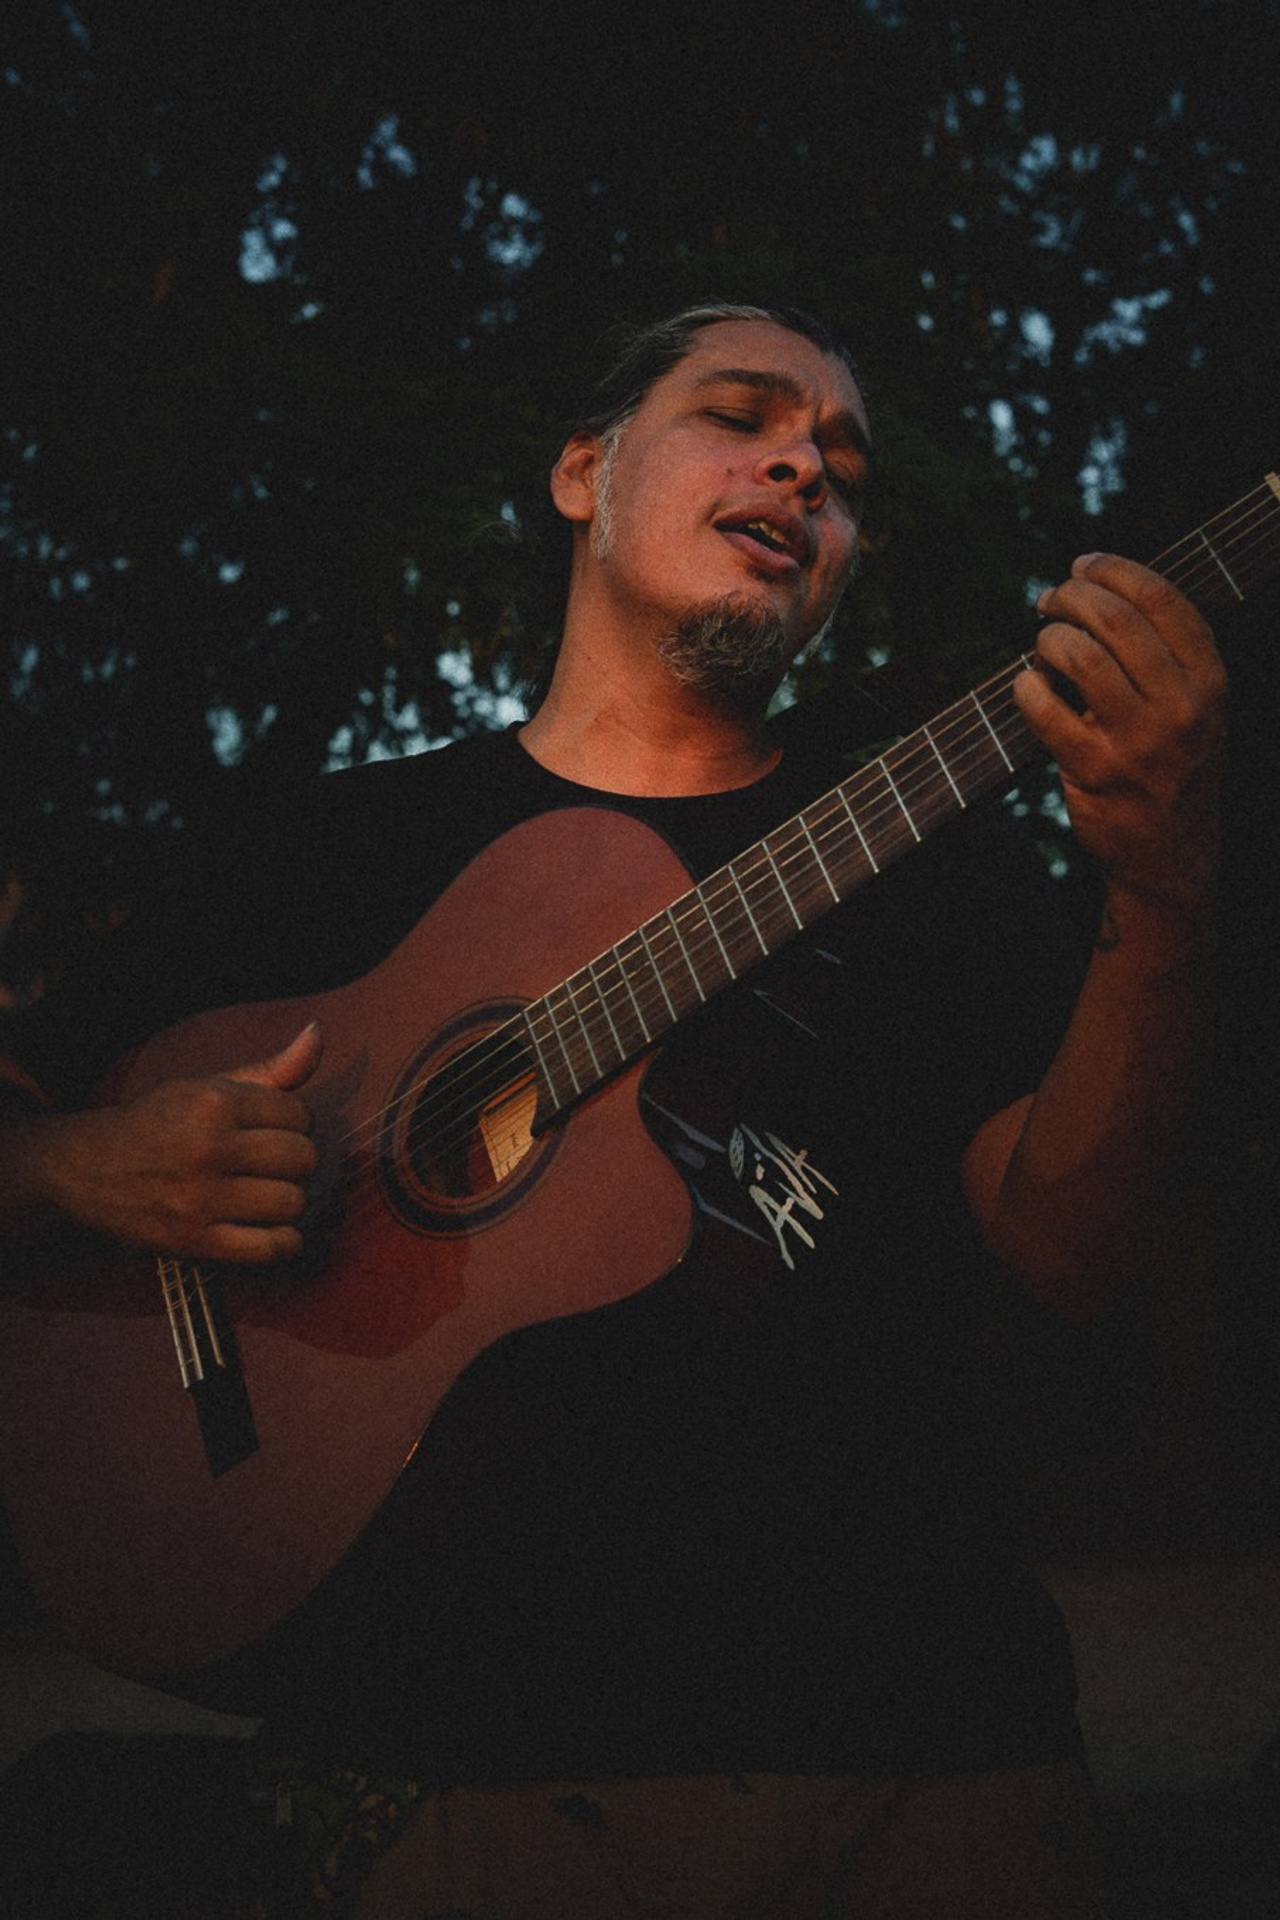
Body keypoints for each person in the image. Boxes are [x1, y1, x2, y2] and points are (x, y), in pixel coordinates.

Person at [0, 303, 1225, 1917]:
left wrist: (1168, 883)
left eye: (844, 473)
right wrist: (81, 1160)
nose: (804, 466)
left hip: (938, 1760)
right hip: (463, 1784)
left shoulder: (945, 867)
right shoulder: (329, 844)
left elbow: (1065, 1250)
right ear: (583, 470)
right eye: (742, 414)